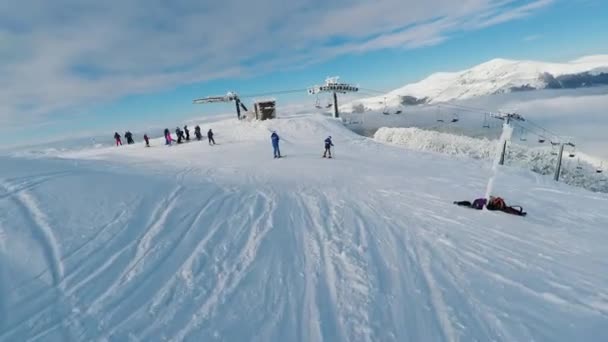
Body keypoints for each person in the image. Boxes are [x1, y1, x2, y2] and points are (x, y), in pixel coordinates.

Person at [454, 196, 526, 216]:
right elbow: (508, 209)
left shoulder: (497, 206)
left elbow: (508, 209)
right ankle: (458, 203)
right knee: (469, 204)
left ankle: (458, 203)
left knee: (469, 204)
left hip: (480, 204)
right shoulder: (497, 205)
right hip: (480, 204)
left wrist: (518, 213)